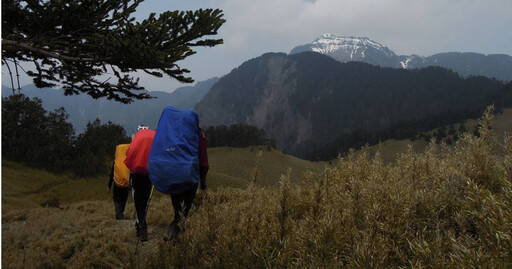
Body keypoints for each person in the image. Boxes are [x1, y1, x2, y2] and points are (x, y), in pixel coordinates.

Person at [166, 128, 209, 241]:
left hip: (174, 176)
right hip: (190, 177)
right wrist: (203, 181)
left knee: (177, 209)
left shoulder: (175, 132)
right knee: (184, 210)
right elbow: (203, 162)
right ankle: (175, 238)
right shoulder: (199, 134)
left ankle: (174, 236)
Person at [124, 128, 155, 241]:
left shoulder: (137, 140)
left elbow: (129, 154)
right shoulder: (153, 140)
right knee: (145, 202)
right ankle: (142, 225)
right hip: (148, 176)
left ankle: (142, 227)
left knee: (139, 204)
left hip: (137, 175)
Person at [107, 144, 131, 220]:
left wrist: (109, 185)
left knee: (117, 199)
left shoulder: (116, 162)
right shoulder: (128, 161)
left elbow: (112, 174)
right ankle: (120, 214)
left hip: (117, 184)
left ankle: (119, 214)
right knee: (123, 199)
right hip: (126, 184)